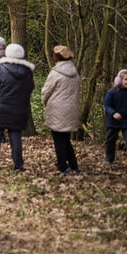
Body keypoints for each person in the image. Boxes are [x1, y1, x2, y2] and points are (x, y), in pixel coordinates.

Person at [0, 43, 35, 173]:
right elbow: (30, 88)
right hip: (18, 109)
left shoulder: (0, 69)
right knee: (15, 137)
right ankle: (18, 166)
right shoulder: (27, 72)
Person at [42, 45, 81, 175]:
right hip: (71, 109)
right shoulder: (75, 72)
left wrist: (44, 102)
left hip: (57, 109)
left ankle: (62, 166)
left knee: (59, 138)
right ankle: (74, 165)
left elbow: (46, 92)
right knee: (65, 138)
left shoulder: (55, 73)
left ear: (55, 57)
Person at [103, 69, 127, 170]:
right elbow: (107, 105)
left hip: (126, 122)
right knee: (110, 141)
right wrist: (113, 113)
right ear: (119, 80)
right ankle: (109, 159)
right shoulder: (111, 92)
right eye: (125, 79)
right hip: (113, 122)